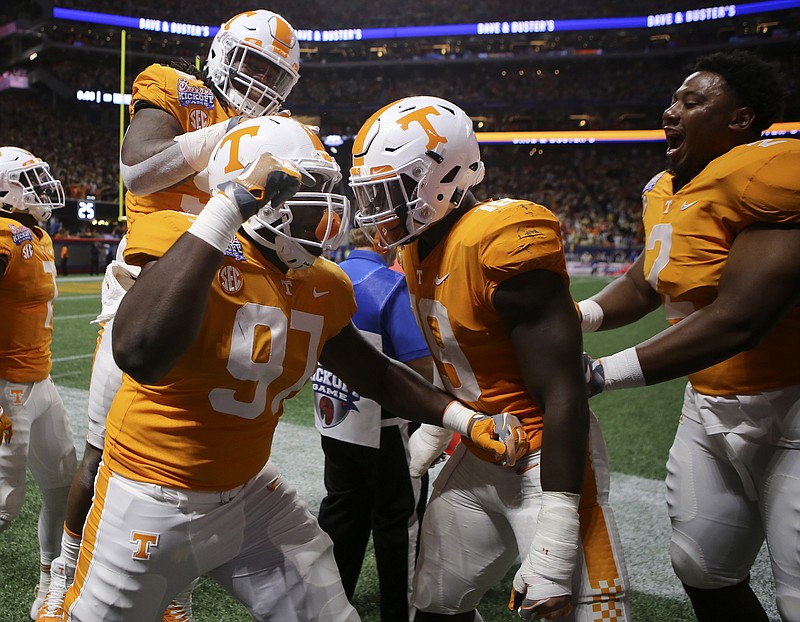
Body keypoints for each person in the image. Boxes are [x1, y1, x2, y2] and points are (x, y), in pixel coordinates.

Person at [56, 114, 520, 622]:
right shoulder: (188, 240)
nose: (323, 208)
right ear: (255, 191)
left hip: (249, 493)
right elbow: (138, 351)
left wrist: (463, 418)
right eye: (306, 188)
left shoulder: (322, 283)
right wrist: (226, 209)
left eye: (325, 187)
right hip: (148, 493)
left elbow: (377, 375)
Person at [36, 9, 303, 622]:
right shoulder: (175, 88)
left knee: (190, 450)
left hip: (224, 295)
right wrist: (233, 136)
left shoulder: (272, 126)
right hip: (147, 289)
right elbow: (139, 166)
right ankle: (62, 567)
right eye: (253, 63)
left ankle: (171, 588)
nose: (261, 82)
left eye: (274, 74)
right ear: (222, 54)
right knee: (105, 447)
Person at [349, 96, 630, 622]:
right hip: (481, 450)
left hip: (548, 457)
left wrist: (556, 529)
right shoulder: (415, 247)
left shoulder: (501, 239)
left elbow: (564, 389)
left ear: (444, 177)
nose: (377, 208)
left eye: (389, 190)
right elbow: (457, 350)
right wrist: (442, 424)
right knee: (434, 607)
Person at [579, 51, 800, 622]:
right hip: (708, 409)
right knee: (702, 567)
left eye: (693, 101)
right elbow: (651, 276)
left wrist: (602, 373)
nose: (670, 111)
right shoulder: (665, 186)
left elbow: (740, 318)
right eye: (674, 99)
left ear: (741, 119)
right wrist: (581, 317)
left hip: (791, 411)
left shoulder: (768, 172)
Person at [312, 226, 433, 621]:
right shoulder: (389, 285)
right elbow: (420, 366)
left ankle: (330, 606)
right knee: (399, 523)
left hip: (334, 418)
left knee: (342, 512)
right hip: (387, 427)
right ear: (384, 240)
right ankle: (399, 614)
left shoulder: (324, 275)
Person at [0, 146, 78, 617]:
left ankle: (51, 578)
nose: (43, 189)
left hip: (39, 383)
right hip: (6, 387)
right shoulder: (4, 234)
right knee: (4, 508)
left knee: (63, 485)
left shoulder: (34, 235)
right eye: (30, 180)